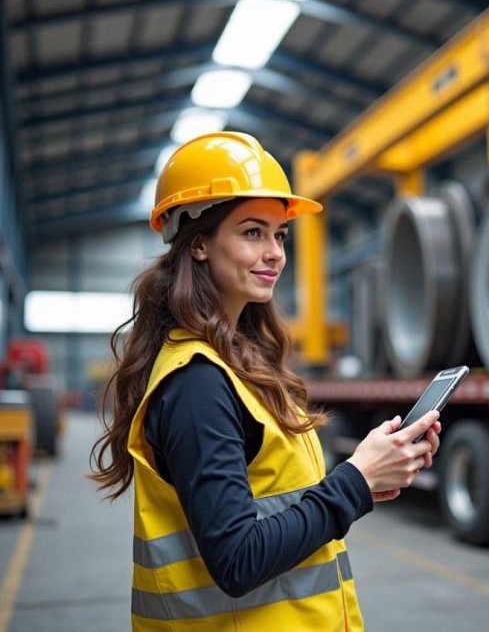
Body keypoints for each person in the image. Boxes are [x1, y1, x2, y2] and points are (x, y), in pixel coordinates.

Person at [89, 132, 441, 631]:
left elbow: (276, 495)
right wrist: (354, 481)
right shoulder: (197, 385)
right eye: (253, 232)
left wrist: (368, 477)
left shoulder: (239, 364)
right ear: (200, 244)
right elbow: (237, 560)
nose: (275, 252)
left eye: (279, 235)